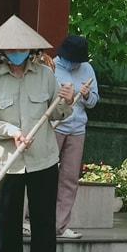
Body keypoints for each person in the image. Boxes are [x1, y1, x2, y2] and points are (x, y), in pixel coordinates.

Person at [0, 16, 74, 252]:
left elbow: (57, 114)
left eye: (22, 48)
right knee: (6, 222)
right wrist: (12, 131)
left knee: (44, 221)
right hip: (6, 160)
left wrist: (66, 101)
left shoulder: (45, 76)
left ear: (31, 50)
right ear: (2, 52)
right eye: (11, 49)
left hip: (42, 158)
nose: (16, 53)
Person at [51, 36, 99, 240]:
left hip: (77, 128)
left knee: (69, 178)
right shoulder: (51, 67)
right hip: (54, 126)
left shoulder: (87, 69)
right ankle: (32, 221)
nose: (74, 63)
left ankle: (60, 226)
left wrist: (87, 95)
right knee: (45, 175)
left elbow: (94, 101)